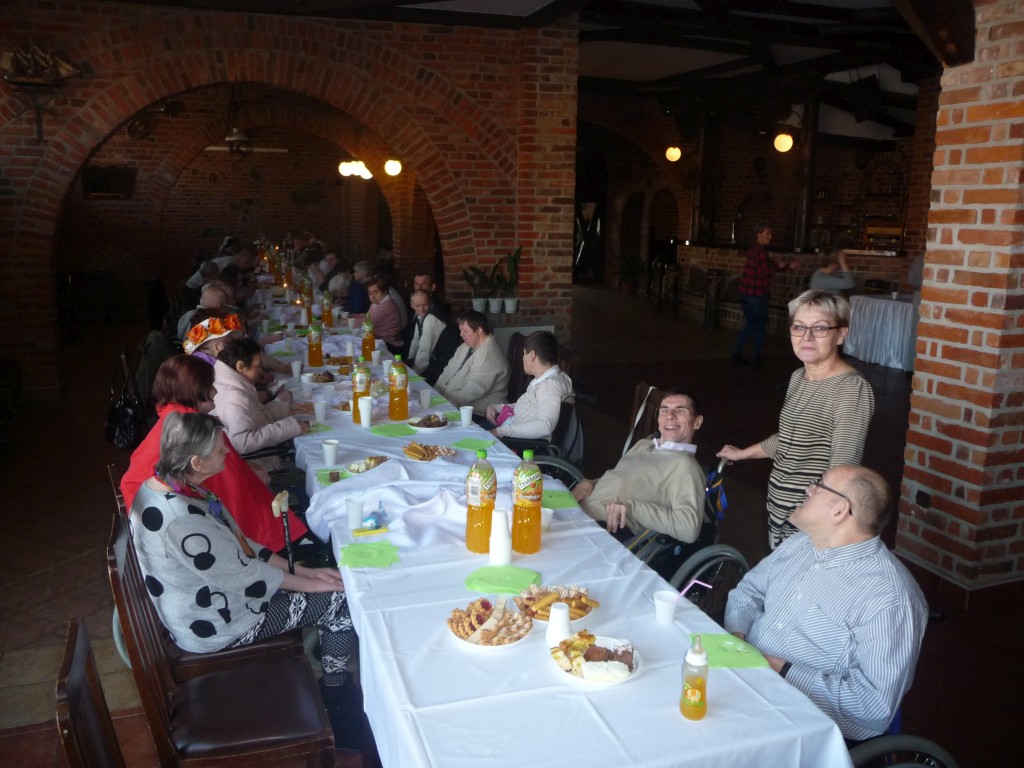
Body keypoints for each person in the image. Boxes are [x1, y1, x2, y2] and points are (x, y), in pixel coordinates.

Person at [129, 411, 361, 750]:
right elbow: (248, 578)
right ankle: (337, 701)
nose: (227, 452)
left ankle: (335, 690)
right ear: (196, 461)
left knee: (323, 587)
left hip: (207, 604)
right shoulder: (180, 520)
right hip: (216, 622)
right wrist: (312, 585)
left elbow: (240, 547)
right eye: (220, 450)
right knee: (338, 602)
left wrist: (302, 572)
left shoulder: (169, 488)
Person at [724, 465, 927, 743]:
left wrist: (780, 669)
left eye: (818, 484)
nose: (808, 489)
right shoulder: (799, 545)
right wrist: (737, 636)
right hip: (742, 681)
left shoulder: (890, 598)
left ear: (840, 510)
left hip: (800, 725)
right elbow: (750, 591)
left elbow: (874, 706)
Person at [718, 290, 875, 549]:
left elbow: (843, 468)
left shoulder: (850, 389)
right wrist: (743, 453)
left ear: (841, 334)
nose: (807, 337)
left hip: (809, 522)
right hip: (779, 509)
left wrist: (812, 521)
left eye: (820, 328)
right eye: (799, 327)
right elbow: (789, 437)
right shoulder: (798, 377)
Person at [120, 355, 308, 554]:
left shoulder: (174, 420)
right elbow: (234, 490)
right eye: (210, 386)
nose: (216, 391)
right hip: (194, 528)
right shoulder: (197, 432)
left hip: (158, 519)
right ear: (194, 390)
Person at [572, 390, 705, 544]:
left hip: (606, 528)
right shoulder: (644, 445)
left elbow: (689, 529)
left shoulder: (686, 466)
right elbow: (622, 479)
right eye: (664, 410)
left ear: (697, 422)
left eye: (680, 410)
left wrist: (632, 508)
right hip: (581, 511)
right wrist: (591, 483)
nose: (670, 416)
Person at [211, 336, 309, 470]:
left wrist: (283, 408)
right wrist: (289, 427)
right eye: (257, 366)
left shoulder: (235, 386)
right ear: (240, 366)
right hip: (254, 468)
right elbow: (242, 442)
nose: (261, 371)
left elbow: (254, 415)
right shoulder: (233, 397)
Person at [486, 330, 573, 440]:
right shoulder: (546, 379)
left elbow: (545, 426)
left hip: (521, 445)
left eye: (524, 353)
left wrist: (501, 431)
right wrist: (497, 407)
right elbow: (529, 407)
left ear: (532, 355)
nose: (523, 357)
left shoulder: (550, 386)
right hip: (513, 433)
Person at [733, 223, 798, 367]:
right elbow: (766, 270)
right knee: (760, 325)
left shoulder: (756, 250)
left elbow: (768, 265)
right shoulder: (760, 251)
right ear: (759, 234)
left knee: (751, 324)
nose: (770, 236)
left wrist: (781, 266)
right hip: (756, 295)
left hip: (746, 293)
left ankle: (737, 352)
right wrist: (786, 266)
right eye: (767, 233)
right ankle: (755, 356)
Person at [434, 310, 509, 416]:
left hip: (477, 413)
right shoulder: (465, 346)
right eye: (460, 330)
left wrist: (446, 405)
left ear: (479, 330)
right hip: (454, 403)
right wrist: (435, 392)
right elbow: (448, 370)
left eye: (465, 331)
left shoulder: (489, 354)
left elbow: (474, 388)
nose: (461, 334)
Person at [407, 288, 450, 374]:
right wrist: (410, 360)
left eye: (425, 305)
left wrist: (414, 373)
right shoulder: (421, 316)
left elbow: (425, 349)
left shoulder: (431, 318)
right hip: (434, 359)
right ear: (412, 305)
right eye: (418, 306)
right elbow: (416, 340)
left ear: (430, 303)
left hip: (443, 363)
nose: (422, 309)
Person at [366, 276, 403, 352]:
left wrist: (345, 320)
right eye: (370, 293)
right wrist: (350, 316)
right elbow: (366, 317)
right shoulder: (376, 303)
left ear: (384, 291)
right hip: (380, 342)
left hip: (390, 346)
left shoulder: (387, 305)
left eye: (376, 292)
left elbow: (367, 323)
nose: (372, 296)